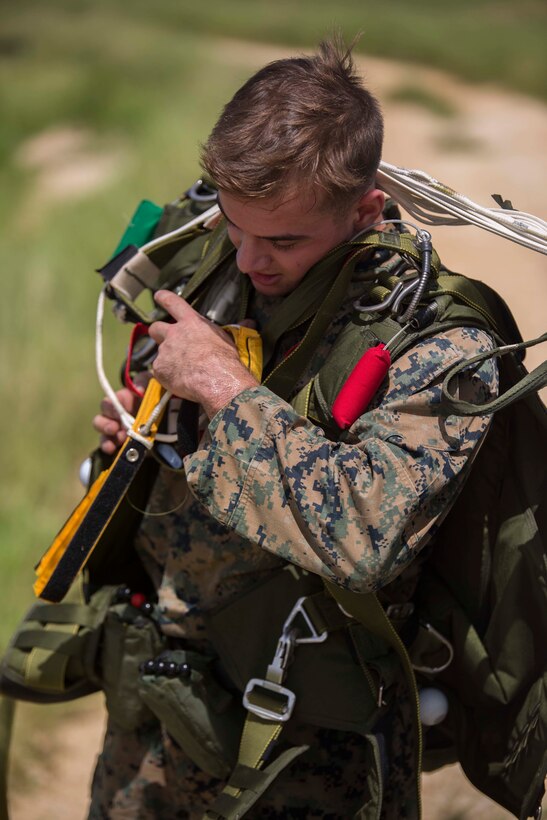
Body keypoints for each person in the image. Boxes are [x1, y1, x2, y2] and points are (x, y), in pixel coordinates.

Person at [90, 37, 497, 818]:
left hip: (311, 742)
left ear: (366, 209)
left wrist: (219, 382)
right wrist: (143, 434)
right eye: (236, 228)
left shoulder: (439, 345)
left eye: (283, 241)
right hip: (158, 691)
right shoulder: (216, 258)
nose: (249, 261)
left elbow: (362, 535)